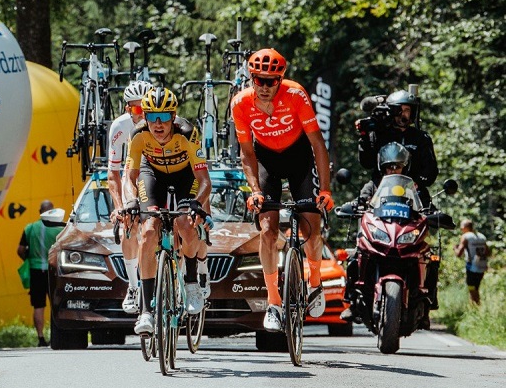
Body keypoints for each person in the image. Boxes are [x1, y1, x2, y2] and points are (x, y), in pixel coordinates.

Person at [230, 48, 333, 333]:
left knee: (311, 226)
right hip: (267, 162)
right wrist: (254, 190)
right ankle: (274, 302)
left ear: (280, 80)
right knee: (267, 229)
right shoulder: (240, 103)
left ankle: (314, 282)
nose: (264, 86)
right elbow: (246, 152)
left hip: (299, 158)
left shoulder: (296, 95)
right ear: (251, 78)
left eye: (270, 81)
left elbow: (318, 146)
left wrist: (325, 190)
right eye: (258, 80)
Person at [125, 87, 212, 336]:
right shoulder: (139, 134)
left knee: (185, 223)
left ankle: (192, 280)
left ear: (174, 116)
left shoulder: (187, 133)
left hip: (186, 176)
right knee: (149, 230)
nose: (158, 124)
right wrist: (131, 201)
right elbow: (129, 176)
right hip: (152, 175)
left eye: (164, 116)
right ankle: (145, 311)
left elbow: (205, 180)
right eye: (152, 117)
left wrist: (196, 202)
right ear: (145, 118)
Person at [341, 142, 412, 321]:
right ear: (382, 167)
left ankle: (426, 300)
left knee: (428, 258)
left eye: (398, 166)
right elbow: (360, 200)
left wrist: (432, 210)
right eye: (389, 167)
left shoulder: (413, 187)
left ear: (405, 167)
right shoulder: (373, 185)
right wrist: (353, 205)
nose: (393, 170)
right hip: (378, 233)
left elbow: (425, 203)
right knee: (353, 259)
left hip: (404, 235)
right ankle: (351, 302)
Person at [107, 80, 151, 314]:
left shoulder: (162, 120)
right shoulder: (120, 127)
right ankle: (134, 287)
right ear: (127, 110)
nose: (142, 114)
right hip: (132, 172)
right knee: (129, 224)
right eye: (136, 109)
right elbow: (113, 174)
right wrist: (118, 207)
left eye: (146, 108)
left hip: (160, 171)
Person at [357, 89, 438, 206]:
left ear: (412, 112)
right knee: (358, 204)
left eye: (406, 110)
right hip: (380, 186)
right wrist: (364, 137)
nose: (402, 114)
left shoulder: (421, 137)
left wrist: (416, 182)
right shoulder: (379, 134)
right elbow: (366, 163)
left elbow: (431, 170)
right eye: (398, 110)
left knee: (430, 212)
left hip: (412, 190)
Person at [18, 200, 65, 346]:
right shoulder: (61, 228)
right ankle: (57, 335)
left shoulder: (30, 228)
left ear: (40, 211)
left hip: (36, 270)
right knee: (56, 304)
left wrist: (29, 257)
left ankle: (40, 338)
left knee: (38, 305)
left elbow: (20, 250)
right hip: (55, 270)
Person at [455, 219, 490, 305]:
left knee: (471, 286)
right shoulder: (482, 236)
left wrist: (455, 248)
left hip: (471, 266)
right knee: (476, 287)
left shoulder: (466, 236)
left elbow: (459, 253)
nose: (461, 230)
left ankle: (476, 305)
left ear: (466, 227)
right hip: (482, 265)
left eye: (461, 228)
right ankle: (475, 306)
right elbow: (488, 252)